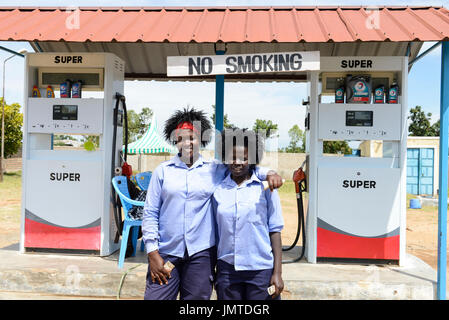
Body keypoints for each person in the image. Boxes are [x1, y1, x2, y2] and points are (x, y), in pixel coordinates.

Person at [142, 108, 283, 300]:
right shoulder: (162, 171)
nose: (187, 143)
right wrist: (152, 252)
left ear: (200, 139)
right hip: (167, 251)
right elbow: (150, 213)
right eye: (181, 138)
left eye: (191, 137)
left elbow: (244, 166)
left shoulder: (214, 169)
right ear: (174, 140)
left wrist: (269, 173)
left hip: (201, 254)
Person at [212, 129, 284, 300]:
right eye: (233, 157)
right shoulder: (218, 189)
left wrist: (277, 273)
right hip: (228, 270)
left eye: (244, 158)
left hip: (260, 270)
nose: (238, 162)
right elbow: (215, 233)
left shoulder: (266, 187)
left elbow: (275, 230)